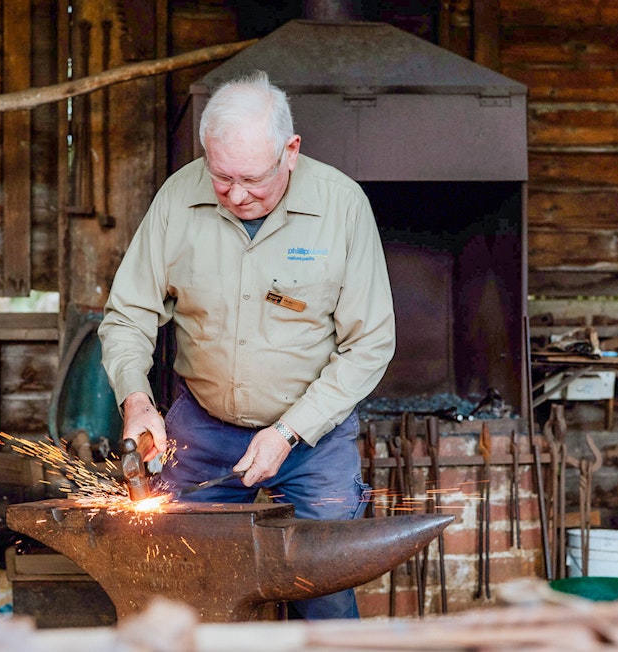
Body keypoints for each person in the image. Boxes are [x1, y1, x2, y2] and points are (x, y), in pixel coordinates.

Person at [98, 70, 396, 619]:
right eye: (221, 178)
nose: (236, 195)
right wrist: (136, 401)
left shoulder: (342, 206)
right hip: (203, 431)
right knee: (182, 594)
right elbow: (127, 317)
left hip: (313, 439)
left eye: (252, 180)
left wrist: (287, 432)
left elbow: (370, 344)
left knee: (326, 600)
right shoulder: (175, 200)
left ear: (290, 150)